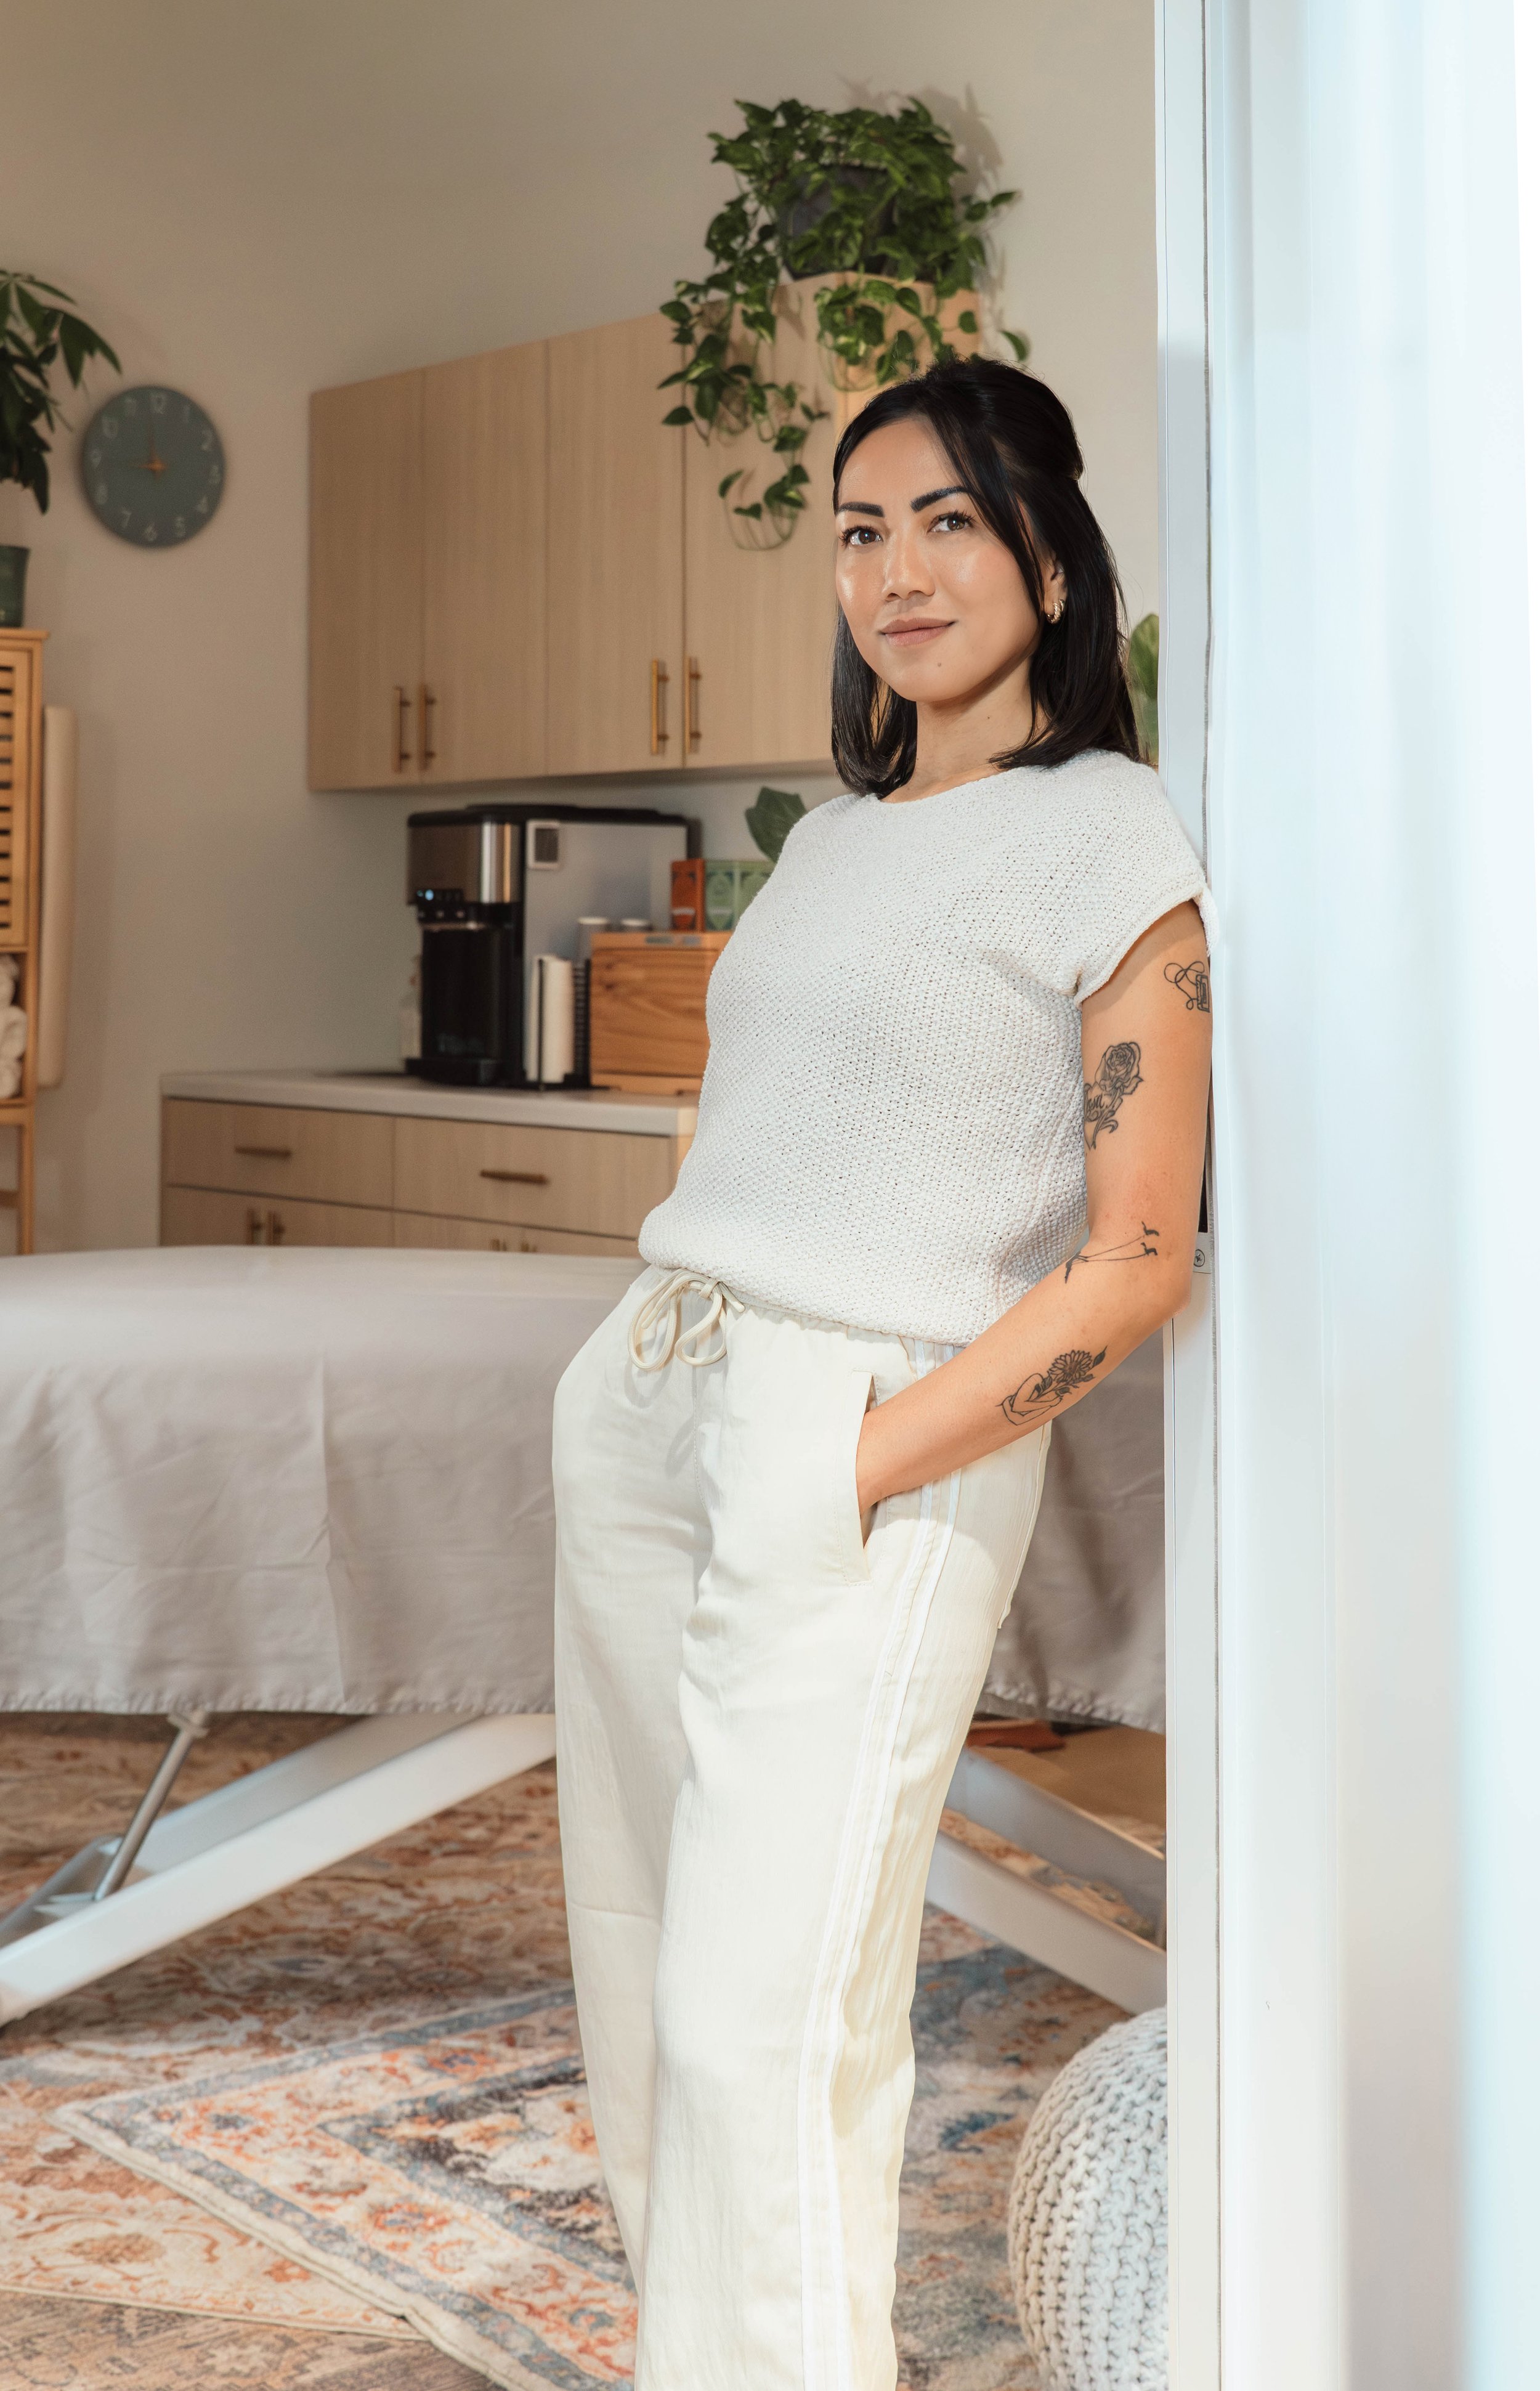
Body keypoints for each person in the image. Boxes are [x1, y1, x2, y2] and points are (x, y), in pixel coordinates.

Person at [553, 356, 1212, 2389]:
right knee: (651, 1961)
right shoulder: (837, 841)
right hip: (658, 1387)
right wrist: (639, 1360)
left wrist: (855, 1460)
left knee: (776, 1999)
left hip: (862, 1436)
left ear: (1046, 546)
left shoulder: (1111, 836)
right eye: (858, 528)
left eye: (944, 517)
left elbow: (1138, 1256)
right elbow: (746, 1125)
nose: (896, 568)